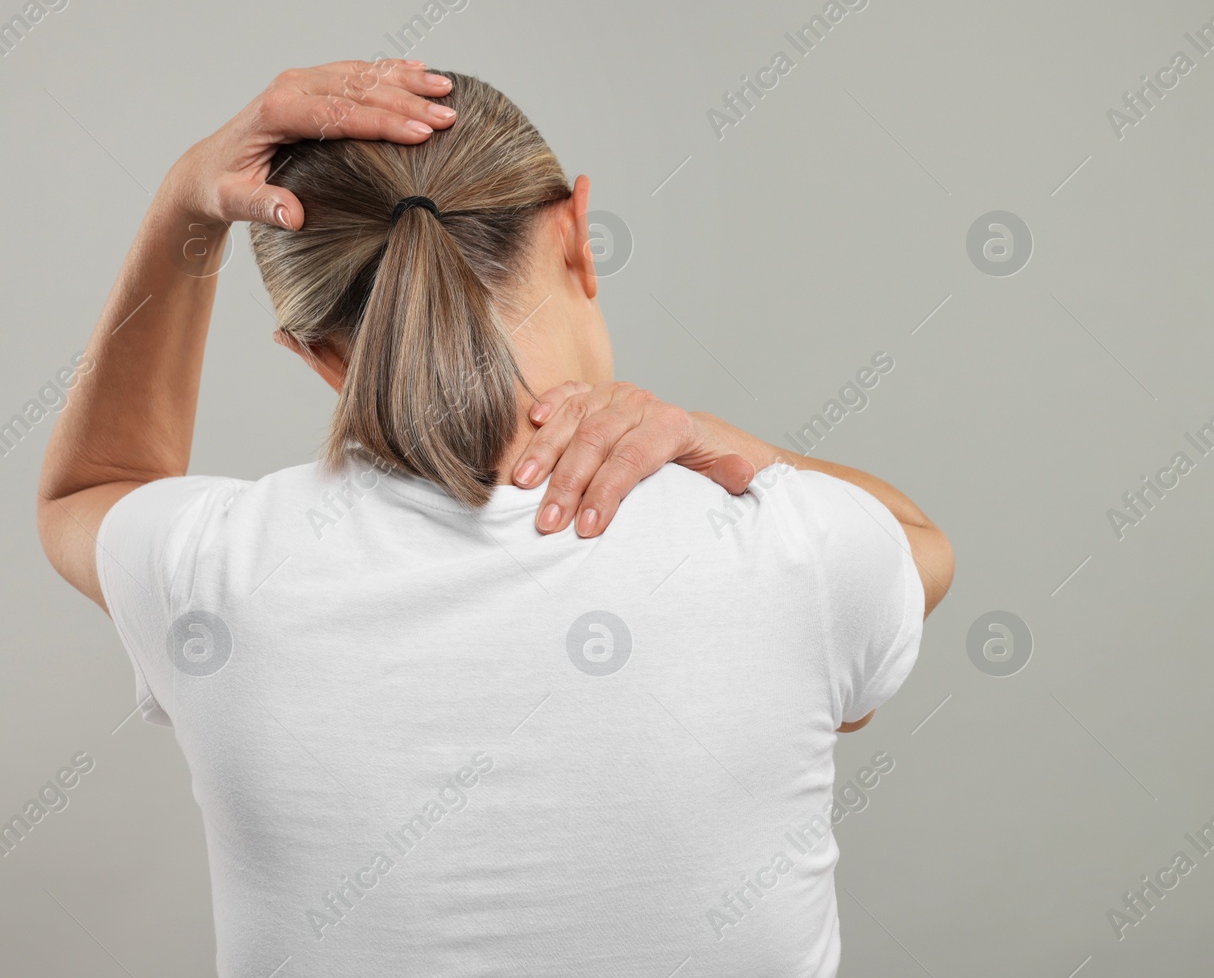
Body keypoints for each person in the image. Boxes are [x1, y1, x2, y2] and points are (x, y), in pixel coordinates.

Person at [36, 60, 954, 977]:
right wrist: (706, 438)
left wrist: (183, 204)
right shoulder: (790, 551)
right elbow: (918, 541)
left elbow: (90, 488)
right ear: (577, 235)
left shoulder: (217, 575)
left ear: (317, 355)